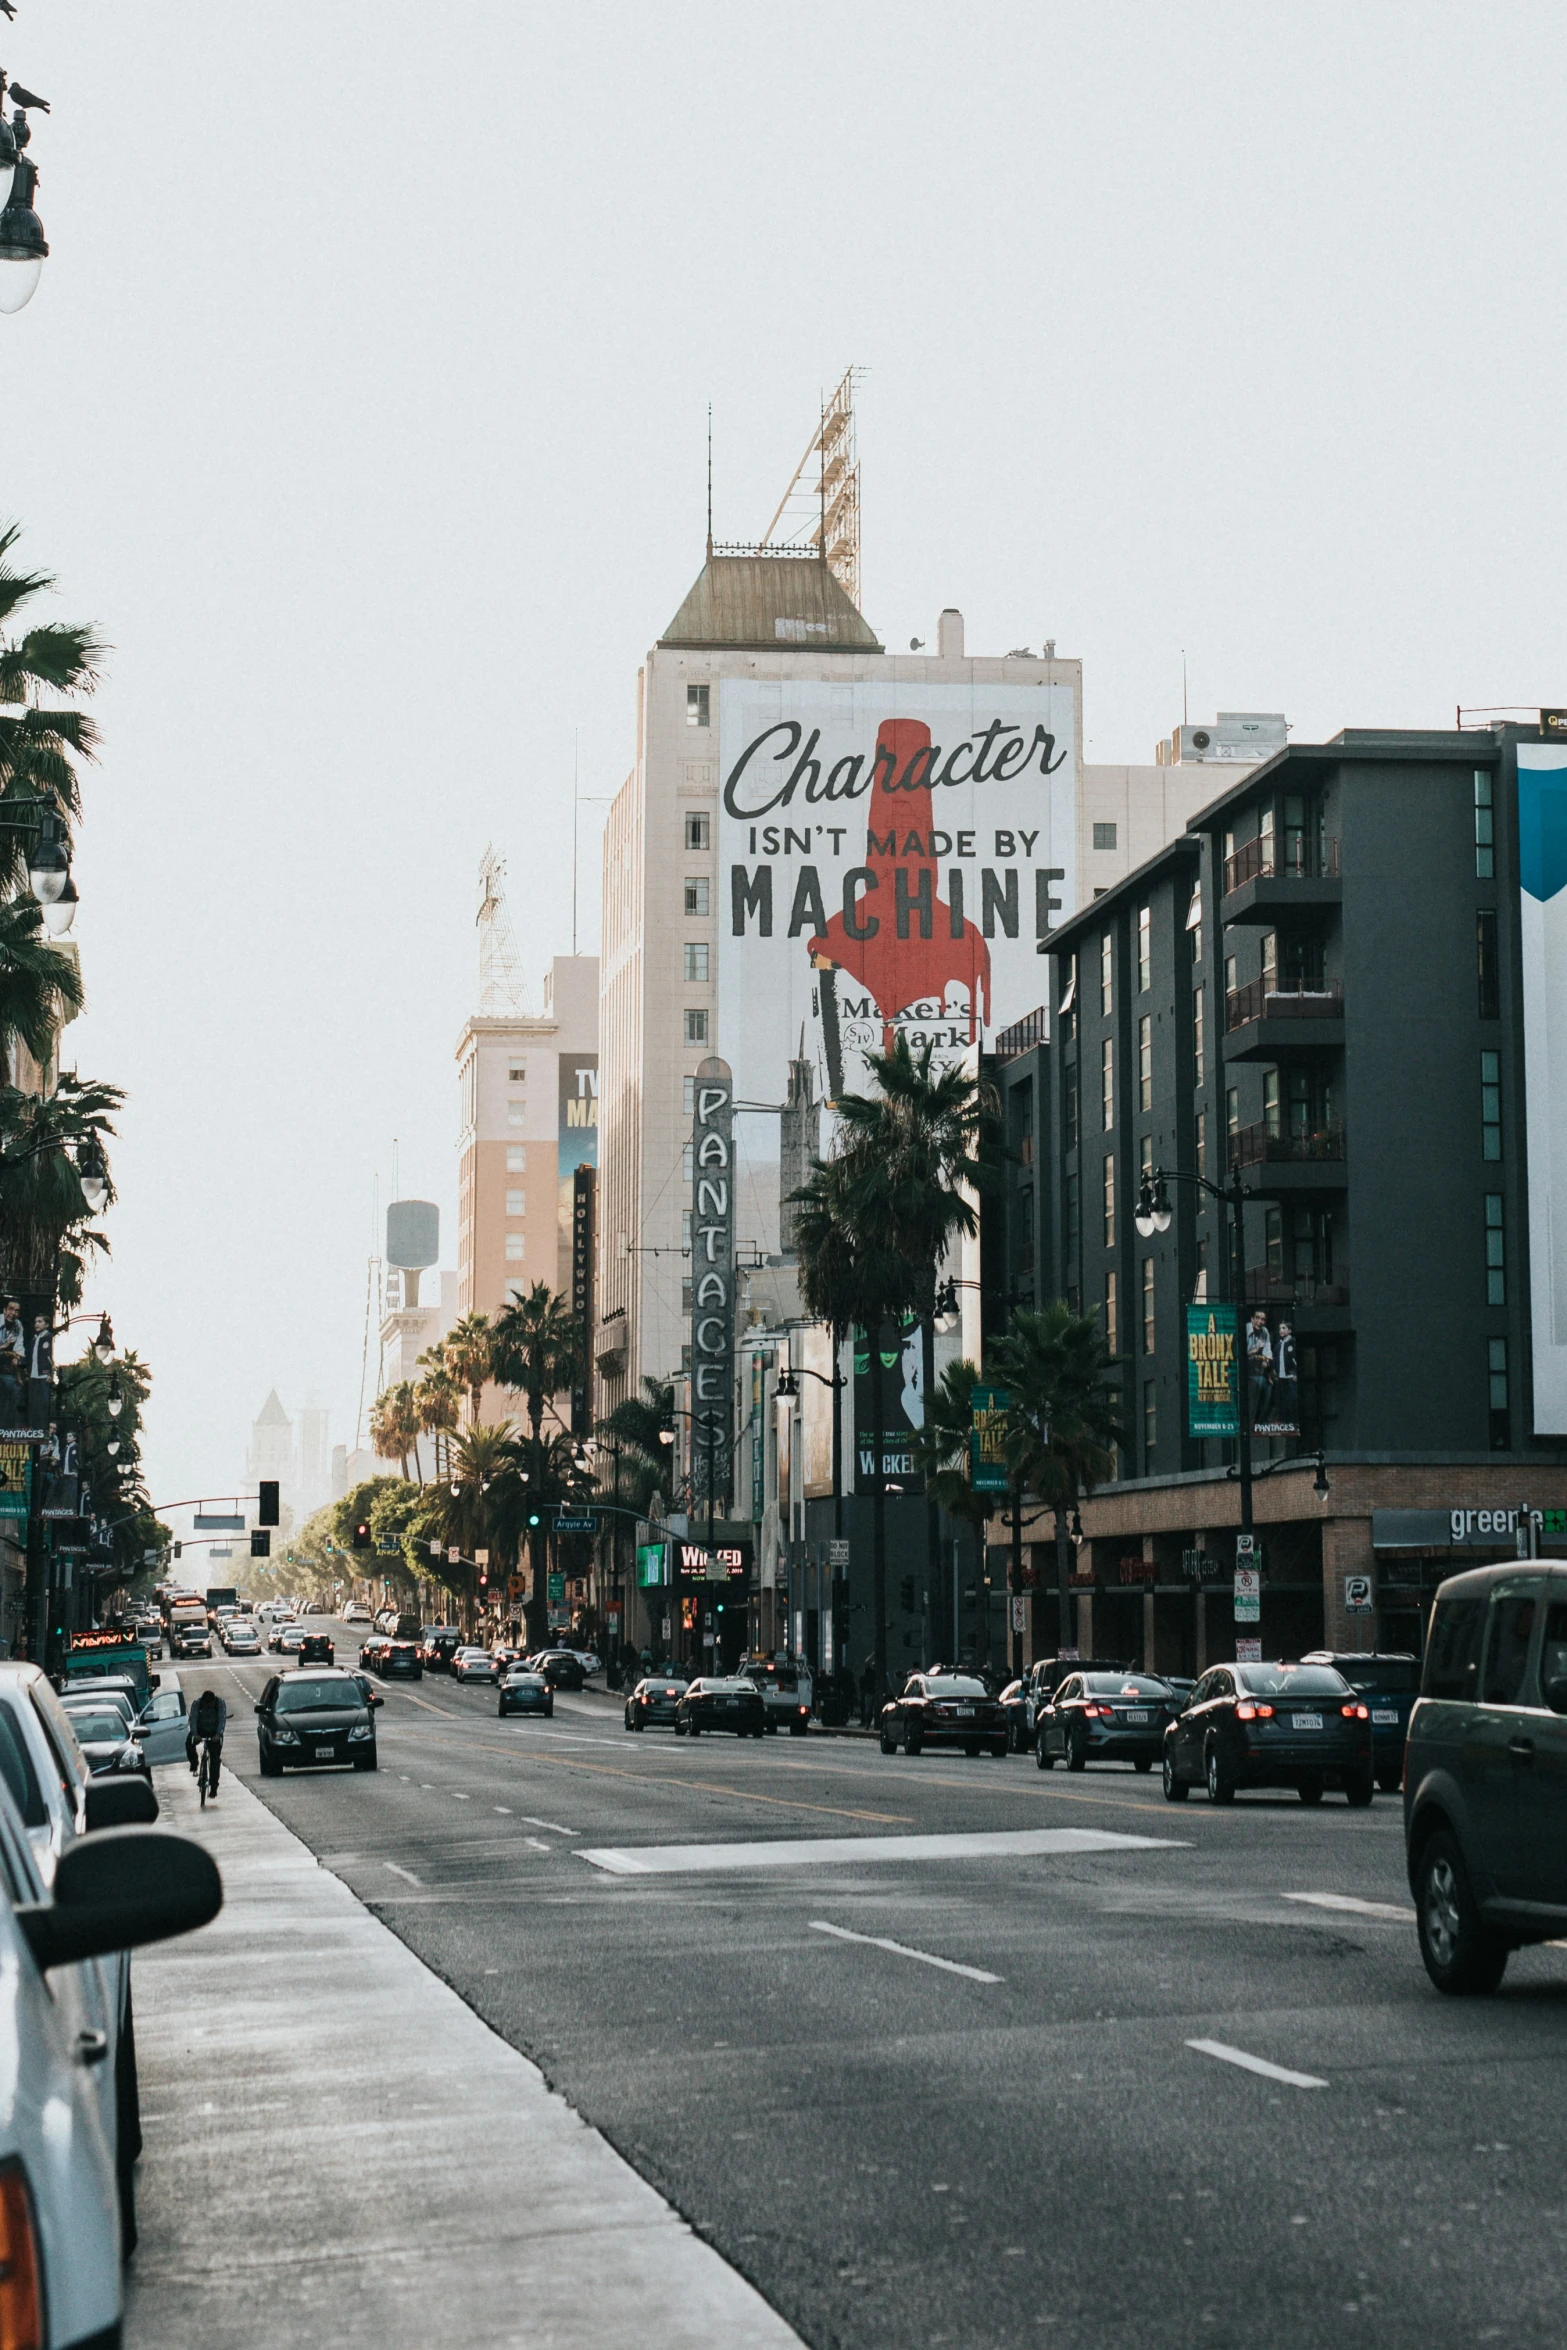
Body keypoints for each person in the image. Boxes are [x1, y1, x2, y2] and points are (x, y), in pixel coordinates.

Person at [185, 1686, 227, 1797]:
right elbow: (192, 1719)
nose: (208, 1708)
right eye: (206, 1706)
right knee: (189, 1743)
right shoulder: (196, 1704)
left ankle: (214, 1787)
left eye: (210, 1706)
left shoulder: (220, 1704)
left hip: (214, 1733)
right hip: (200, 1730)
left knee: (215, 1760)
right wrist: (195, 1734)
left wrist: (218, 1734)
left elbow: (222, 1720)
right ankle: (194, 1762)